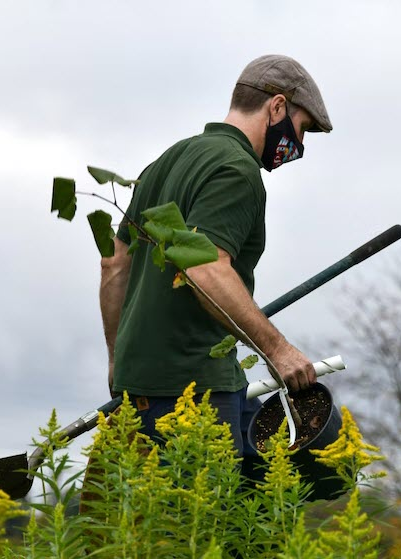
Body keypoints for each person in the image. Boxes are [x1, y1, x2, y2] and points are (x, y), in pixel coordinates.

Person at [99, 54, 333, 457]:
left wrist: (119, 359)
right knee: (208, 515)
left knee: (160, 517)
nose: (300, 145)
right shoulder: (237, 169)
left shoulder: (167, 161)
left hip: (138, 391)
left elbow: (115, 263)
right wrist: (279, 351)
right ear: (276, 107)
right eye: (302, 128)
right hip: (197, 392)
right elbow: (206, 268)